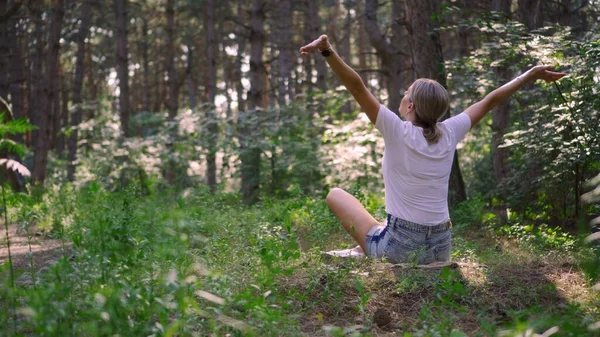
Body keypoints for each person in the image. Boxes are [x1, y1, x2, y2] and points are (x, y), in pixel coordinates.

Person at [299, 35, 565, 264]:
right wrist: (528, 75)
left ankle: (369, 249)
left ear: (411, 106)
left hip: (401, 249)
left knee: (335, 195)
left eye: (406, 93)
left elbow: (357, 86)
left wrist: (327, 50)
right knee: (383, 224)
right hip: (440, 248)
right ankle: (368, 246)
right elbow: (490, 101)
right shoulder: (450, 132)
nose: (403, 96)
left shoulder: (396, 129)